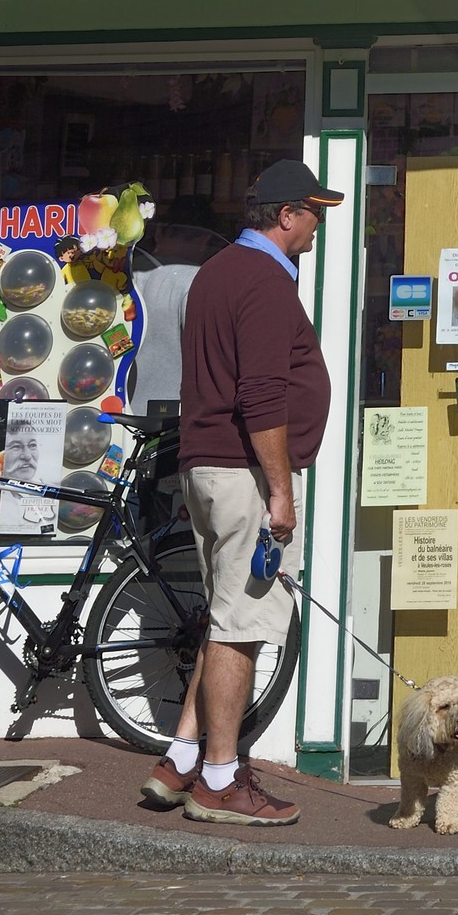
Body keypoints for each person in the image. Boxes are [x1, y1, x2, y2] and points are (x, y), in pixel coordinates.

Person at [139, 159, 341, 825]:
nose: (317, 227)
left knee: (227, 616)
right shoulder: (261, 280)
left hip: (210, 465)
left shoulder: (222, 270)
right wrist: (280, 491)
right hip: (244, 475)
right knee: (241, 629)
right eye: (314, 213)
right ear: (286, 216)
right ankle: (221, 781)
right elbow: (261, 395)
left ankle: (181, 761)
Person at [129, 197, 226, 412]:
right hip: (171, 418)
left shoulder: (126, 274)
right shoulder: (196, 282)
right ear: (206, 241)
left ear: (160, 233)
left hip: (117, 411)